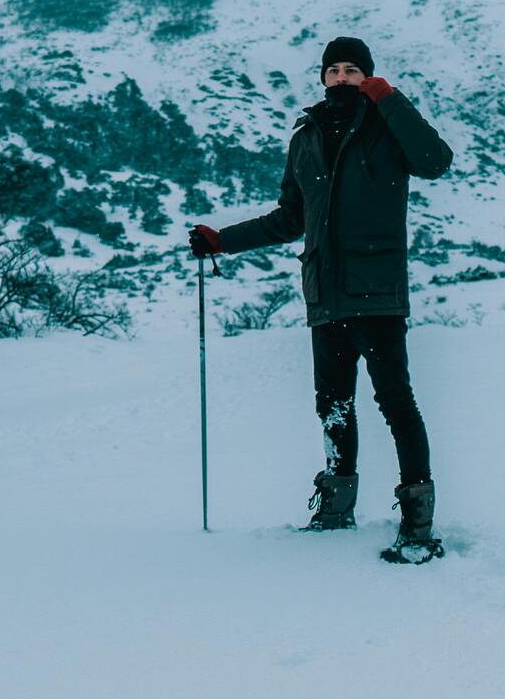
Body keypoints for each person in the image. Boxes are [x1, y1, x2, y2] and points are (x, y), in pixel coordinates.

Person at [188, 36, 454, 564]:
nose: (341, 78)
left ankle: (418, 523)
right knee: (332, 405)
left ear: (369, 76)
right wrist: (223, 240)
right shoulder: (306, 136)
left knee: (396, 405)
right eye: (333, 69)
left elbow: (435, 160)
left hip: (376, 296)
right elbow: (291, 217)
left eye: (353, 70)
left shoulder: (387, 127)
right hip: (325, 298)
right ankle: (336, 508)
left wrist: (389, 98)